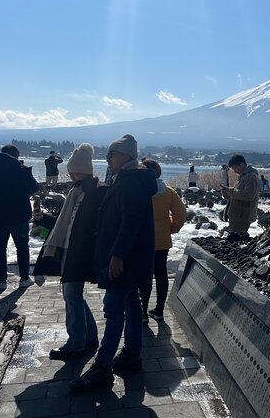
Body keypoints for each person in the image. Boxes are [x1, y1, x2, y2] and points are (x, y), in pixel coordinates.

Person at [69, 134, 157, 392]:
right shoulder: (131, 179)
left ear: (126, 156)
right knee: (131, 305)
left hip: (124, 260)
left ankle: (103, 367)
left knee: (114, 309)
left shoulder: (130, 182)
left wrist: (117, 254)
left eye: (112, 154)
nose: (108, 158)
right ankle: (131, 355)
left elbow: (130, 221)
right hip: (130, 258)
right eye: (107, 154)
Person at [32, 143, 107, 360]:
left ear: (76, 171)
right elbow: (65, 224)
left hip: (78, 253)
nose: (72, 175)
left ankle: (76, 344)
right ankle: (89, 338)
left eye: (73, 171)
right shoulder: (80, 192)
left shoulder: (90, 194)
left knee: (72, 296)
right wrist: (42, 218)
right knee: (74, 296)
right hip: (72, 251)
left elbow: (83, 227)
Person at [0, 145, 39, 290]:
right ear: (16, 155)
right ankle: (24, 278)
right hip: (18, 215)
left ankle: (1, 280)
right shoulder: (20, 170)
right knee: (22, 246)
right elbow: (33, 188)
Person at [139, 159, 186, 322]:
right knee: (161, 273)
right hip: (162, 239)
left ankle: (142, 312)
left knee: (144, 275)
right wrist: (172, 227)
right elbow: (180, 214)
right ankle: (159, 310)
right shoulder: (168, 192)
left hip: (141, 240)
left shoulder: (138, 190)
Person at [220, 154, 259, 242]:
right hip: (237, 215)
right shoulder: (243, 176)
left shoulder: (251, 177)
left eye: (235, 168)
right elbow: (236, 195)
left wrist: (230, 191)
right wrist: (226, 192)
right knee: (234, 240)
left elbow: (249, 195)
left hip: (242, 216)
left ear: (241, 164)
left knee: (236, 241)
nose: (235, 171)